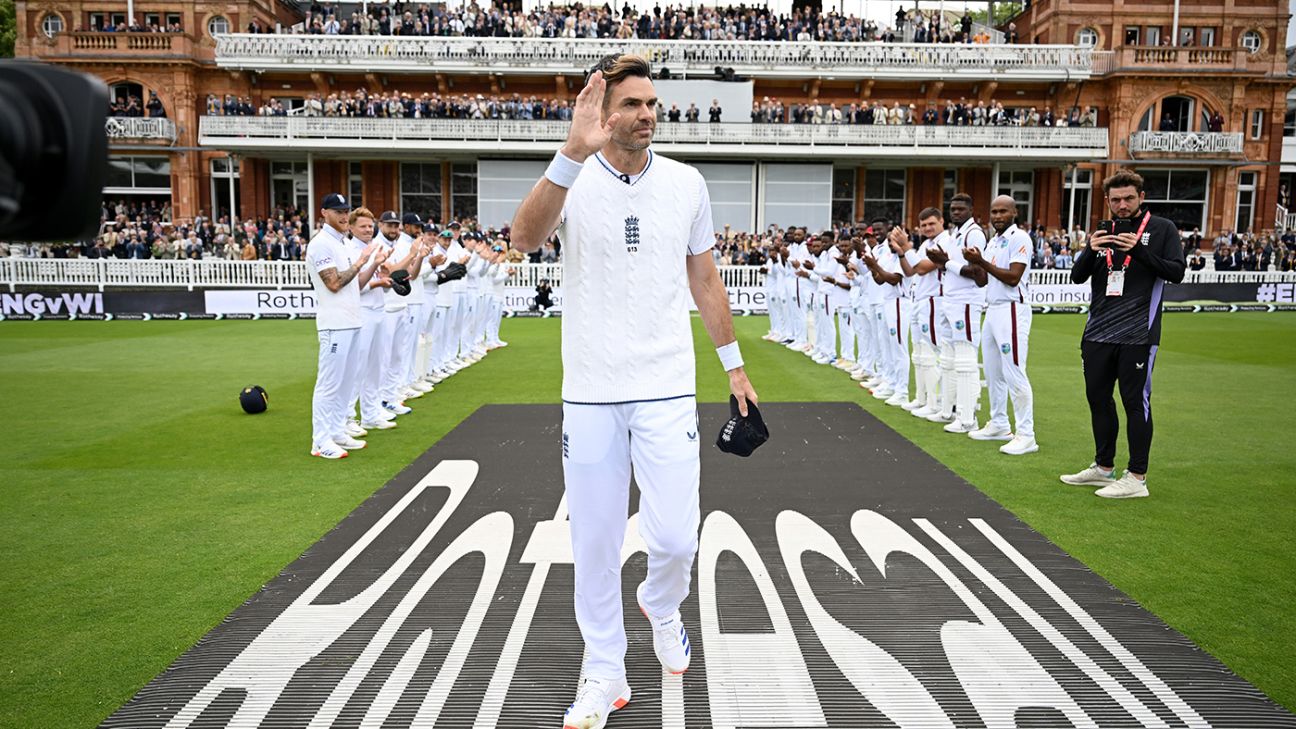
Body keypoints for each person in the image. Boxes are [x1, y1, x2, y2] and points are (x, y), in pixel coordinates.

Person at [508, 54, 758, 729]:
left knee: (677, 537)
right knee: (592, 541)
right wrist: (568, 152)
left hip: (666, 385)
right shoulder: (574, 177)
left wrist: (733, 365)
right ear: (603, 111)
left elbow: (704, 279)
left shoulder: (685, 182)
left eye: (653, 104)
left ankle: (661, 600)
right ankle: (604, 670)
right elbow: (523, 238)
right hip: (589, 389)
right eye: (634, 104)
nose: (648, 114)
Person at [1062, 169, 1185, 498]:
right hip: (1098, 333)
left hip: (1138, 335)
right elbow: (1077, 276)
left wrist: (1139, 251)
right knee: (1098, 399)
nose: (1122, 205)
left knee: (1135, 403)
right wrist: (1090, 248)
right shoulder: (1103, 231)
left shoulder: (1161, 229)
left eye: (1129, 198)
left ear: (1141, 197)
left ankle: (1137, 478)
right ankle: (1103, 468)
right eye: (1116, 200)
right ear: (1107, 201)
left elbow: (1176, 272)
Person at [305, 193, 382, 459]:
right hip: (334, 324)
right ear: (324, 212)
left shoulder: (342, 243)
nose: (342, 215)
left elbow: (355, 285)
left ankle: (336, 431)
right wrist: (362, 262)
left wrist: (368, 264)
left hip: (351, 320)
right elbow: (334, 284)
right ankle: (320, 440)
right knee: (329, 383)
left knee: (347, 382)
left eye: (345, 210)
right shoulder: (321, 244)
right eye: (337, 211)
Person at [964, 195, 1038, 455]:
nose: (997, 216)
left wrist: (982, 262)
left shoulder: (1019, 238)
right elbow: (985, 281)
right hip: (993, 309)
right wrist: (974, 263)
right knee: (994, 372)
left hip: (1011, 310)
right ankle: (998, 423)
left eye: (1003, 211)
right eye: (994, 211)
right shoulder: (994, 240)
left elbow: (1013, 278)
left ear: (1014, 213)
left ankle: (1026, 434)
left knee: (1014, 371)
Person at [924, 193, 988, 432]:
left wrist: (945, 262)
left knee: (965, 360)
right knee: (948, 358)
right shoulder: (955, 235)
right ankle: (948, 410)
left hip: (966, 300)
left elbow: (976, 271)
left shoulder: (974, 234)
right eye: (953, 209)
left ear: (971, 210)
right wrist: (941, 261)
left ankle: (968, 417)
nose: (956, 212)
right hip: (950, 300)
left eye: (961, 209)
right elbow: (949, 265)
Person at [892, 208, 945, 416]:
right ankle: (923, 398)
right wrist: (902, 252)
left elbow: (923, 268)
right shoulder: (925, 244)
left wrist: (906, 246)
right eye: (923, 225)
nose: (927, 228)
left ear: (941, 221)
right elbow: (909, 270)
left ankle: (939, 401)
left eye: (931, 223)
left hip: (934, 301)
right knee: (921, 354)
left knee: (937, 352)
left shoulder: (944, 242)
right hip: (919, 300)